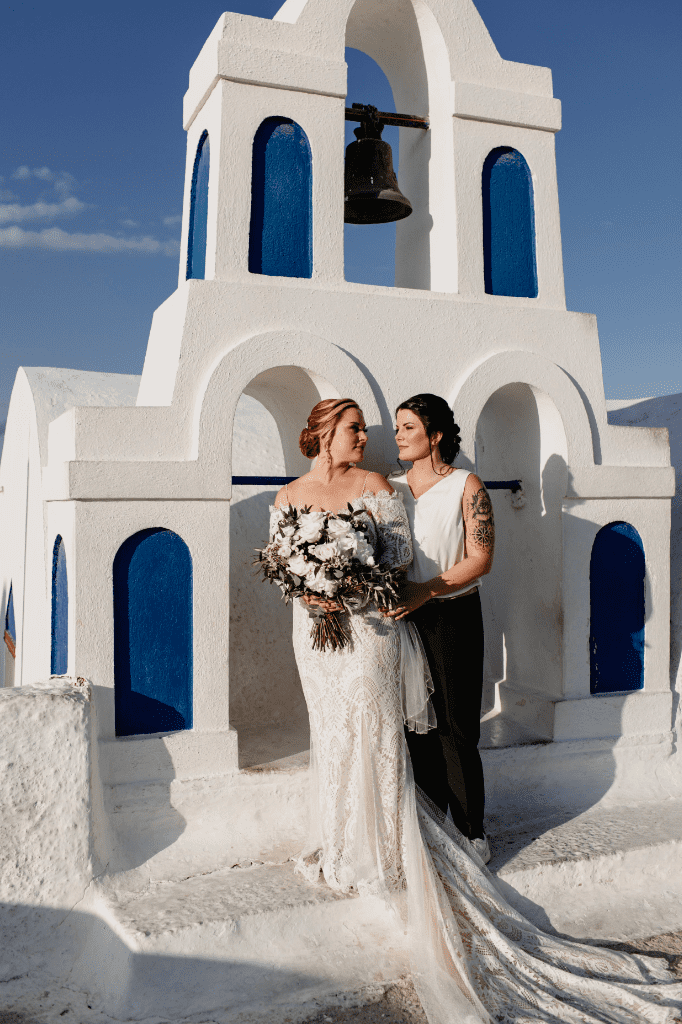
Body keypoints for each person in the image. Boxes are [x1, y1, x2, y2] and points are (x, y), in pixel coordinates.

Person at [270, 397, 681, 1024]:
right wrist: (313, 588)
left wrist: (356, 581)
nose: (375, 437)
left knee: (428, 724)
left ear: (434, 435)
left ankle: (453, 835)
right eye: (359, 428)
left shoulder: (408, 485)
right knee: (338, 733)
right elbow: (282, 564)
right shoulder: (298, 493)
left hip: (394, 622)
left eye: (398, 429)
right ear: (324, 434)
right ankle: (344, 839)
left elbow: (401, 555)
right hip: (320, 635)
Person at [386, 394, 492, 863]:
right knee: (414, 724)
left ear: (436, 435)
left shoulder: (466, 486)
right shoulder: (386, 488)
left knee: (455, 724)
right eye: (396, 428)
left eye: (408, 427)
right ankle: (429, 824)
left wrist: (425, 590)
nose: (398, 436)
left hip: (452, 615)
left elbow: (481, 558)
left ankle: (472, 831)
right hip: (400, 619)